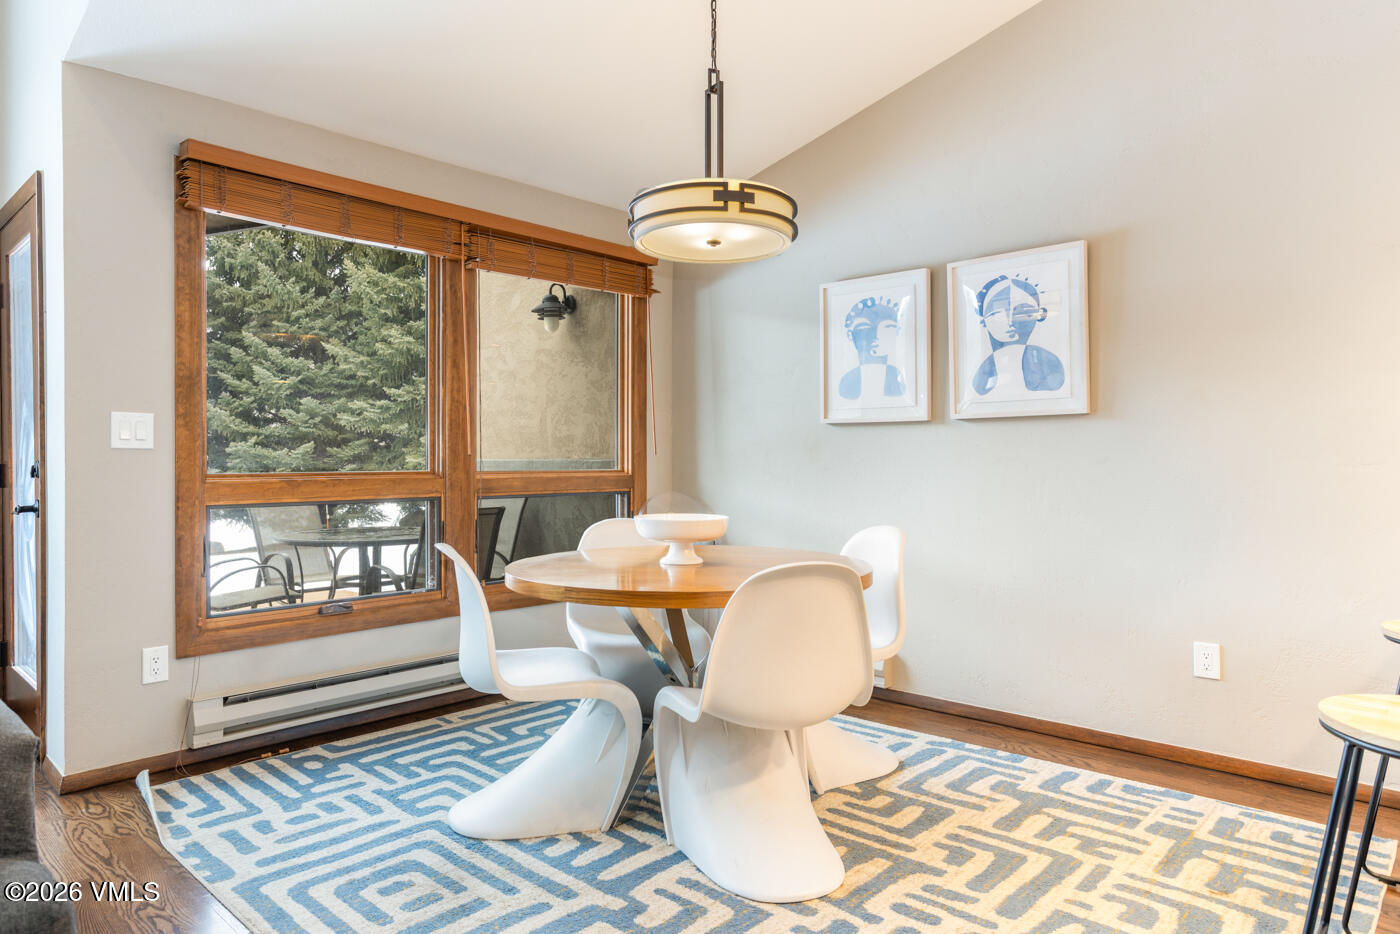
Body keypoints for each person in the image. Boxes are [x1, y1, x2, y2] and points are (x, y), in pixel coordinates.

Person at [972, 275, 1064, 396]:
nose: (1010, 321)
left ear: (1040, 315)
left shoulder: (1047, 362)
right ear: (984, 321)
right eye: (997, 313)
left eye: (1023, 312)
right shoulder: (986, 368)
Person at [839, 297, 906, 401]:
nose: (876, 336)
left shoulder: (898, 380)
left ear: (897, 332)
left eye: (887, 328)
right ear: (851, 335)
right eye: (864, 328)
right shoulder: (847, 384)